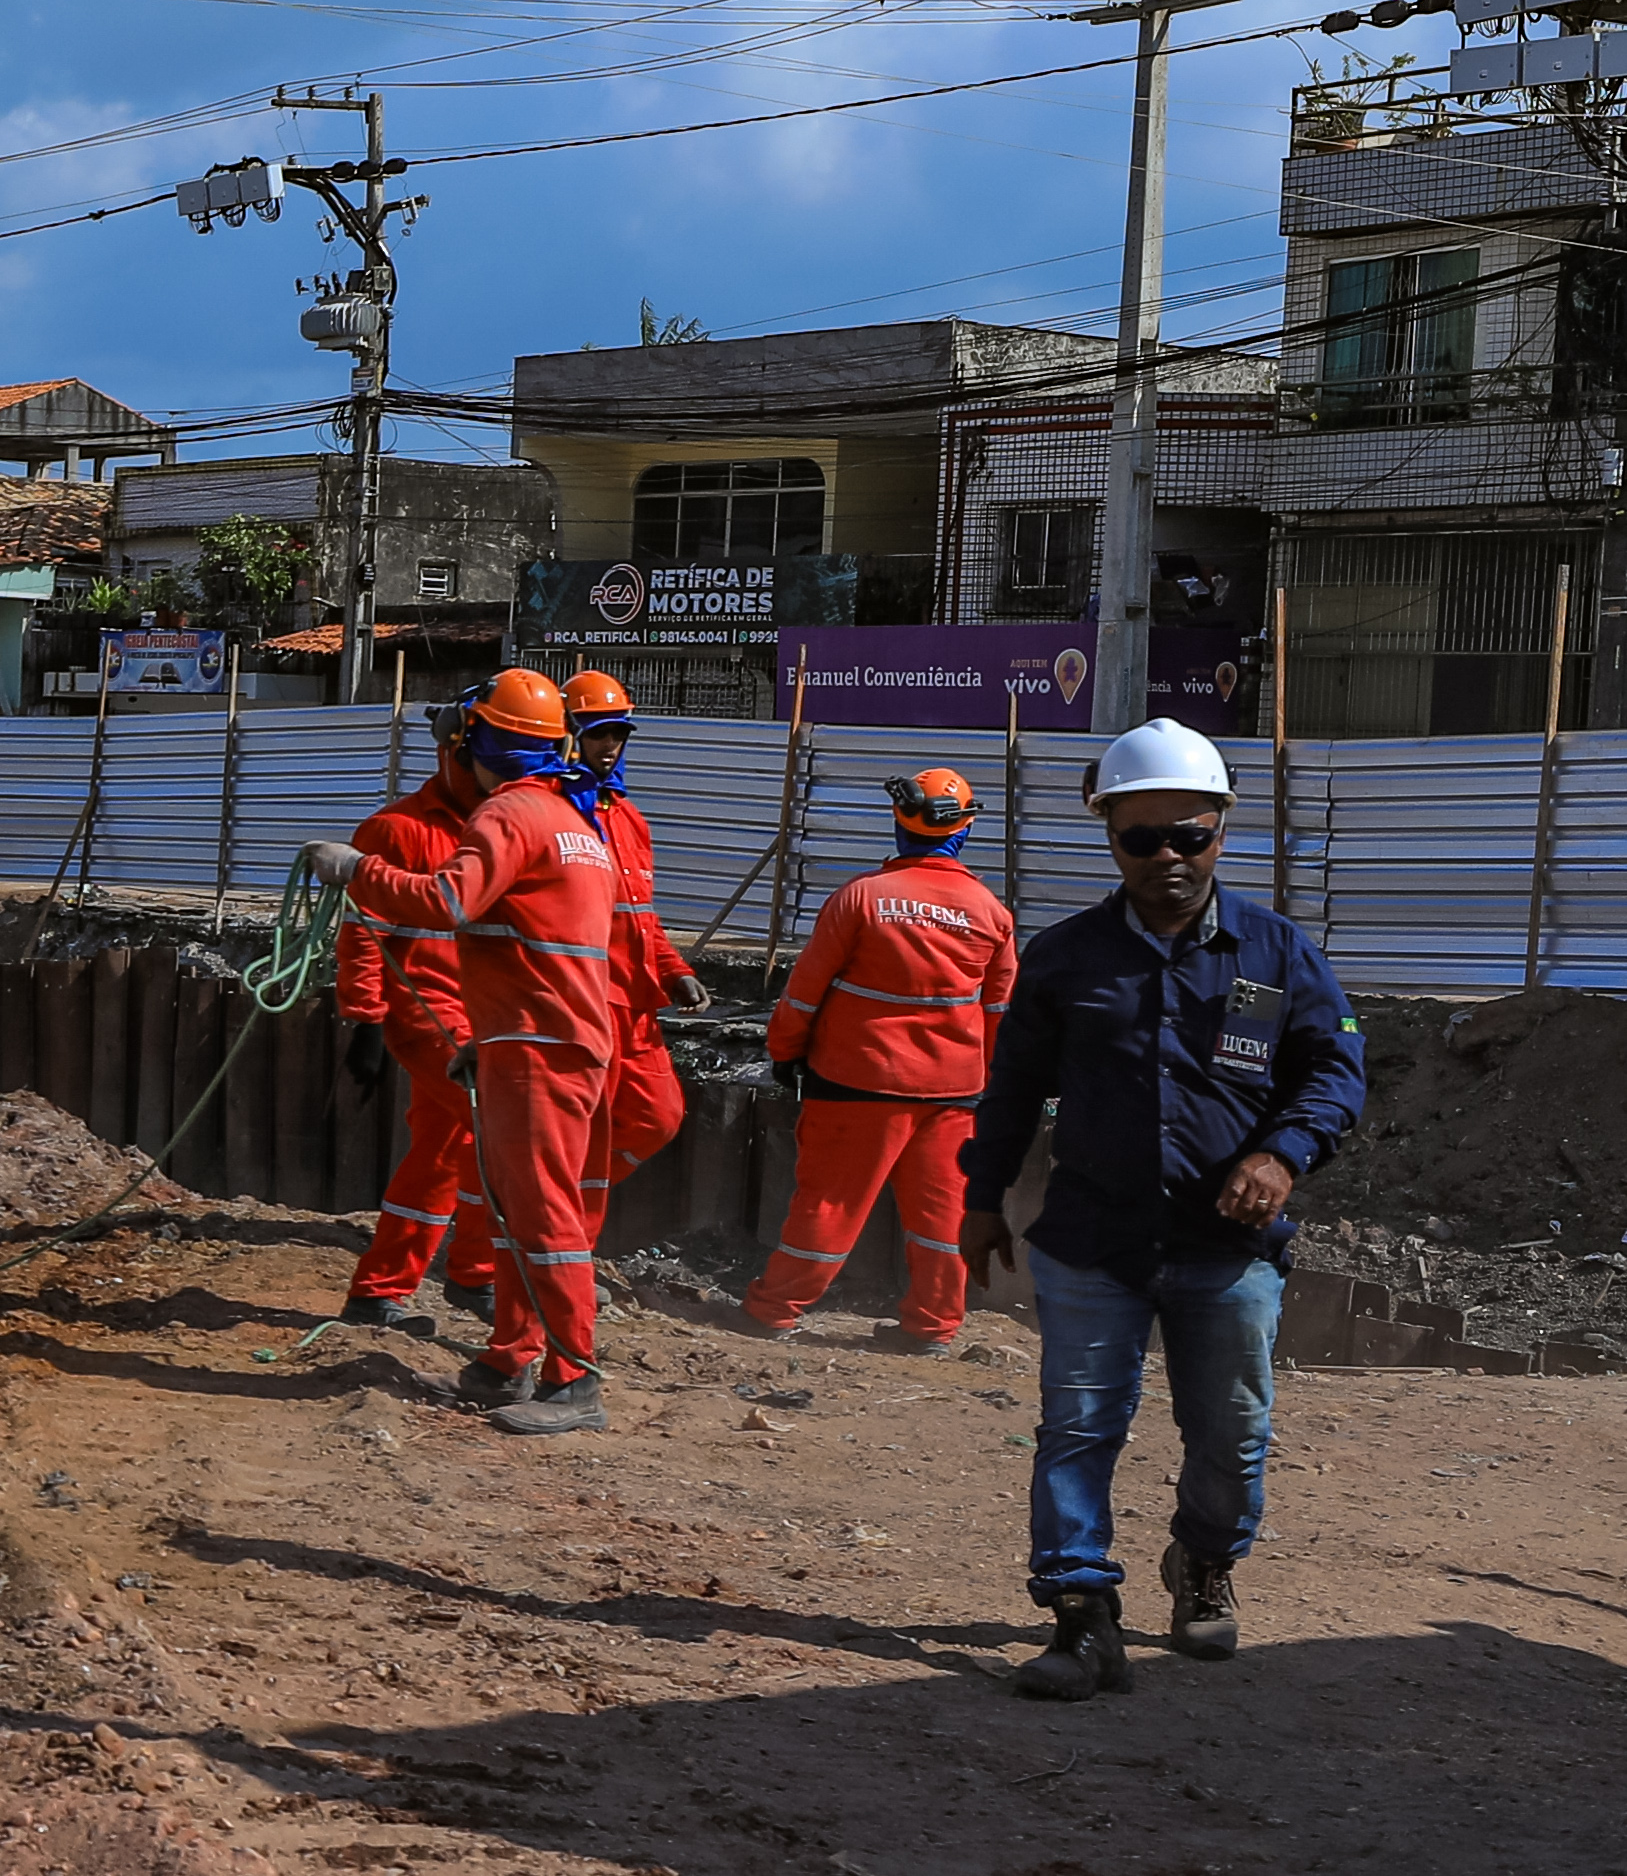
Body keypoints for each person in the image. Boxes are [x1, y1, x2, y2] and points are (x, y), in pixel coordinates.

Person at [959, 717, 1366, 1703]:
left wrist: (1281, 1152)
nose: (1166, 858)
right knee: (1077, 1425)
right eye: (1140, 839)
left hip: (1224, 1248)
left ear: (1221, 828)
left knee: (1229, 1438)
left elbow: (1336, 1071)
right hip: (1091, 1239)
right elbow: (1010, 1090)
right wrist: (980, 1201)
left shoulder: (1275, 954)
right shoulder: (1063, 960)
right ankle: (1080, 1614)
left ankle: (1200, 1561)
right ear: (1111, 840)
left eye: (1187, 835)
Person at [304, 666, 620, 1434]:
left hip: (538, 1042)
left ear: (481, 741)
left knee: (542, 1215)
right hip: (540, 1035)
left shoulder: (510, 812)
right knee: (515, 1209)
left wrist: (352, 869)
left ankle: (572, 1378)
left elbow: (443, 902)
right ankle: (509, 1353)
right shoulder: (575, 821)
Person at [741, 766, 1014, 1349]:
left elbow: (805, 990)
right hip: (953, 1094)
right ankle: (935, 1326)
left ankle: (772, 1311)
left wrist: (784, 1049)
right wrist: (990, 1086)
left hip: (857, 1080)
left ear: (900, 826)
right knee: (944, 1216)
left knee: (830, 1203)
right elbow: (998, 1015)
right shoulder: (992, 914)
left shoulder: (861, 899)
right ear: (964, 829)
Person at [331, 695, 486, 1334]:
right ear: (455, 754)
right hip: (427, 1010)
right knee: (492, 1125)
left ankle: (381, 1290)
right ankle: (478, 1275)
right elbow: (364, 930)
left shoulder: (502, 829)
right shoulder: (399, 829)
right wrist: (366, 1018)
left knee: (446, 1147)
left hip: (481, 1012)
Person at [558, 671, 699, 1245]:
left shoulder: (626, 815)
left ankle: (549, 1208)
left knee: (658, 1116)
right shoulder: (556, 812)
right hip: (587, 1001)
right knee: (586, 1137)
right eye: (597, 734)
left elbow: (640, 913)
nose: (610, 745)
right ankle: (562, 1246)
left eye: (617, 733)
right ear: (568, 735)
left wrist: (674, 969)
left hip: (634, 1003)